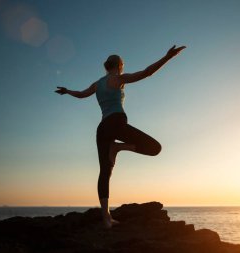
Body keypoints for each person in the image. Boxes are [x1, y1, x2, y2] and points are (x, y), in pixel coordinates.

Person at [55, 45, 186, 228]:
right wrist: (167, 57)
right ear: (120, 65)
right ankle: (118, 147)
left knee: (104, 172)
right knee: (155, 148)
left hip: (102, 129)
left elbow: (82, 94)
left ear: (106, 66)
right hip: (116, 123)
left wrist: (67, 91)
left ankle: (106, 218)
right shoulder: (119, 79)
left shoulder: (97, 84)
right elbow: (147, 72)